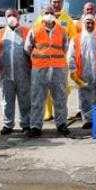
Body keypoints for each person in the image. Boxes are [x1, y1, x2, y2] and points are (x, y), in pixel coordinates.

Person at [25, 7, 70, 138]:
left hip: (58, 69)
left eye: (51, 13)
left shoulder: (62, 30)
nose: (49, 15)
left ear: (55, 15)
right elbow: (27, 48)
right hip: (40, 69)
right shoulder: (34, 29)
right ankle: (35, 126)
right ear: (42, 15)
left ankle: (61, 124)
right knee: (37, 98)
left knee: (60, 98)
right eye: (46, 13)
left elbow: (65, 48)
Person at [35, 0, 76, 121]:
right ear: (50, 3)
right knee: (46, 87)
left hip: (61, 61)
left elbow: (73, 39)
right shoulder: (41, 18)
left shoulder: (67, 20)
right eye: (54, 2)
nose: (56, 4)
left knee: (63, 88)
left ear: (62, 4)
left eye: (58, 2)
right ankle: (48, 112)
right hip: (45, 60)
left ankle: (60, 114)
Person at [68, 13, 96, 129]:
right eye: (87, 23)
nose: (90, 25)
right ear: (83, 24)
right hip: (83, 73)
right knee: (84, 97)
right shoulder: (76, 38)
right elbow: (70, 56)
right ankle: (87, 119)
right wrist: (73, 70)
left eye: (92, 23)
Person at [0, 9, 31, 135]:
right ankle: (8, 124)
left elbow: (31, 51)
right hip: (5, 74)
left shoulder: (27, 32)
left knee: (25, 100)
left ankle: (26, 124)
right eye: (8, 15)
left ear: (19, 17)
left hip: (24, 73)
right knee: (6, 101)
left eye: (14, 15)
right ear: (5, 18)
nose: (11, 17)